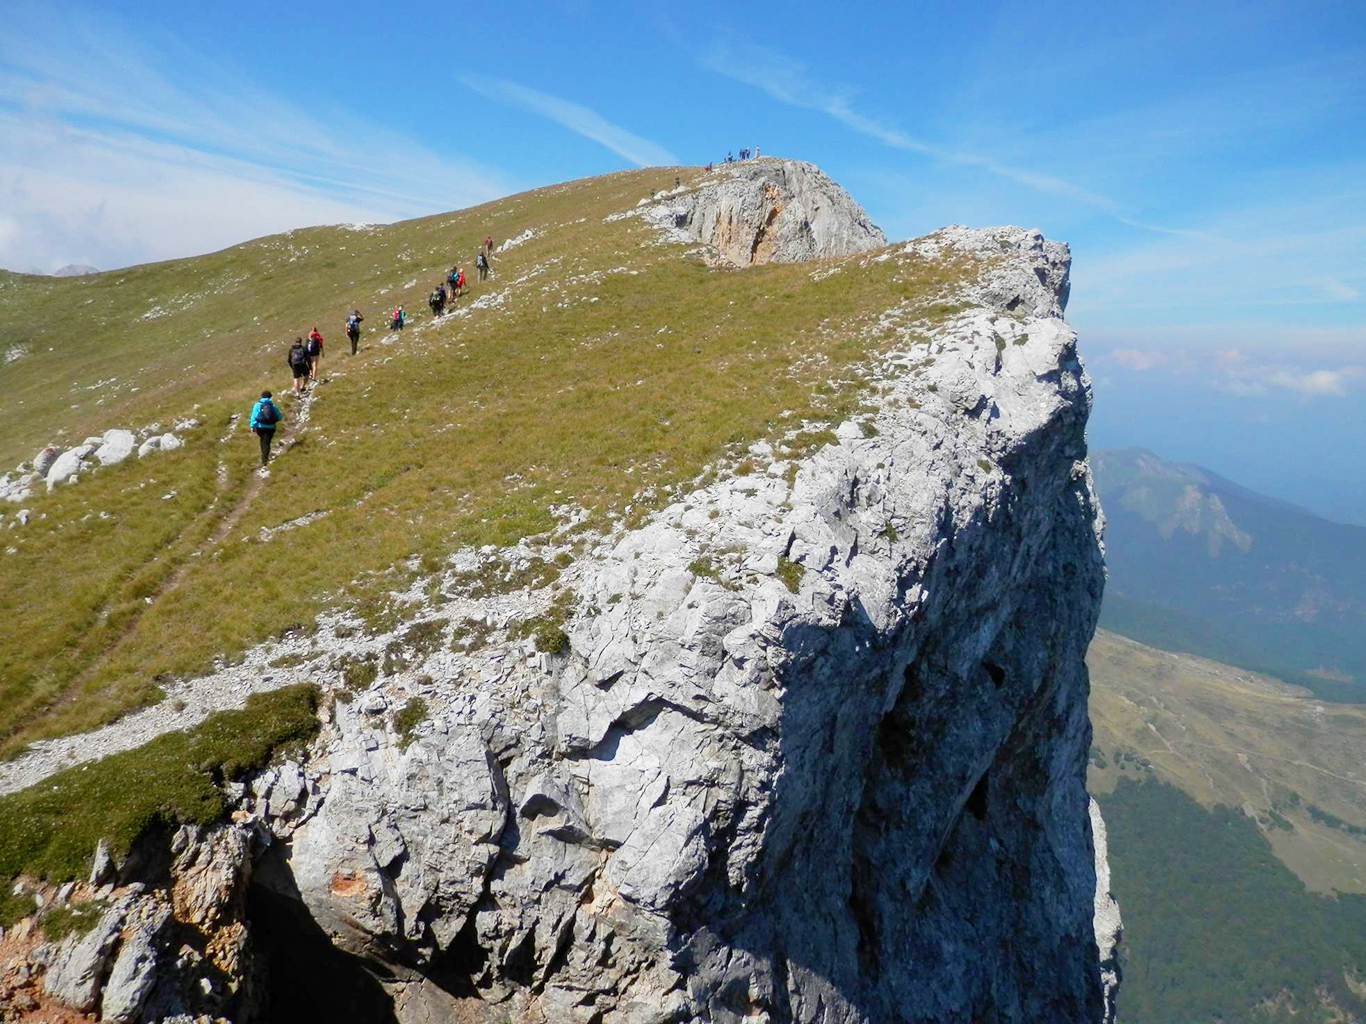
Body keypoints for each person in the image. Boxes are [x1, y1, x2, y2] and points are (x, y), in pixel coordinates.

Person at [250, 390, 280, 470]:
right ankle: (265, 459)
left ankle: (264, 459)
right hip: (271, 427)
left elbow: (254, 416)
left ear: (261, 396)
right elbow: (279, 417)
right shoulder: (273, 406)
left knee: (263, 441)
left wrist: (252, 426)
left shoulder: (257, 405)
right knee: (267, 442)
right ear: (270, 397)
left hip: (260, 427)